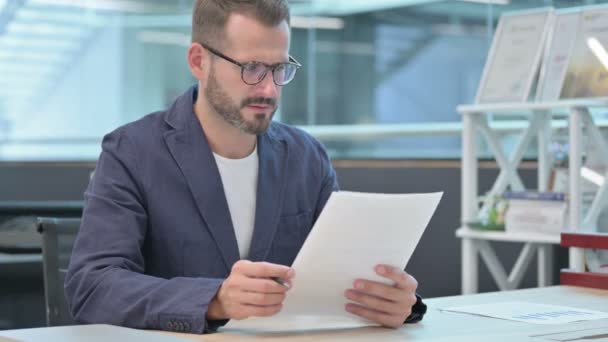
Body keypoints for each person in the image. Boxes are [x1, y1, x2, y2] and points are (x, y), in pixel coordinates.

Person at [65, 0, 426, 334]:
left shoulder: (305, 157)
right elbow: (93, 286)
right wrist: (215, 299)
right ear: (198, 61)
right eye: (251, 68)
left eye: (279, 68)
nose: (269, 90)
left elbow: (344, 273)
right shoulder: (132, 151)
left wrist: (394, 302)